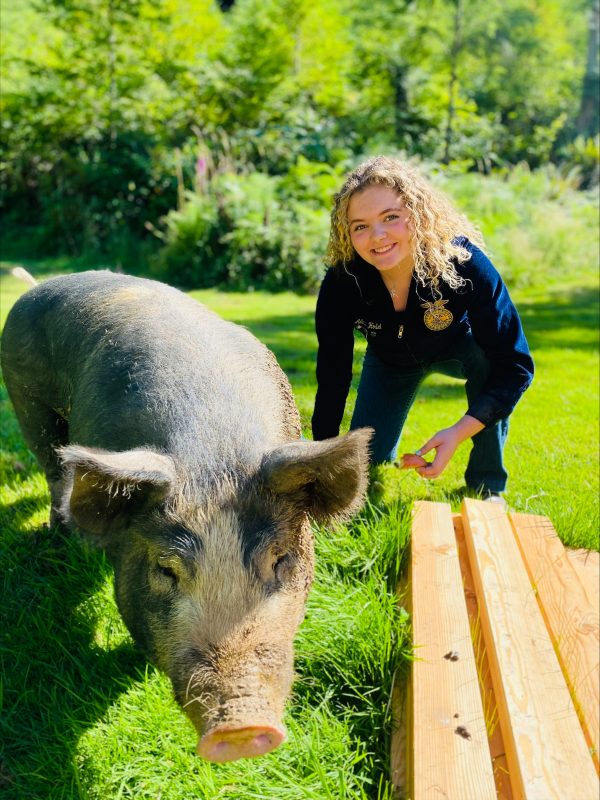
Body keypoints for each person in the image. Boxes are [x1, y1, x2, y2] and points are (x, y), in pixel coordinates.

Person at [311, 155, 534, 501]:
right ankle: (385, 447)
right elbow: (333, 374)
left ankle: (487, 484)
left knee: (489, 362)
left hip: (459, 349)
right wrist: (320, 457)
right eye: (360, 226)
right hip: (389, 361)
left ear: (416, 213)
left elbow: (515, 366)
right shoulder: (342, 283)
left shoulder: (465, 265)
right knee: (367, 465)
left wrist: (459, 431)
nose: (378, 236)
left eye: (391, 218)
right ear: (347, 232)